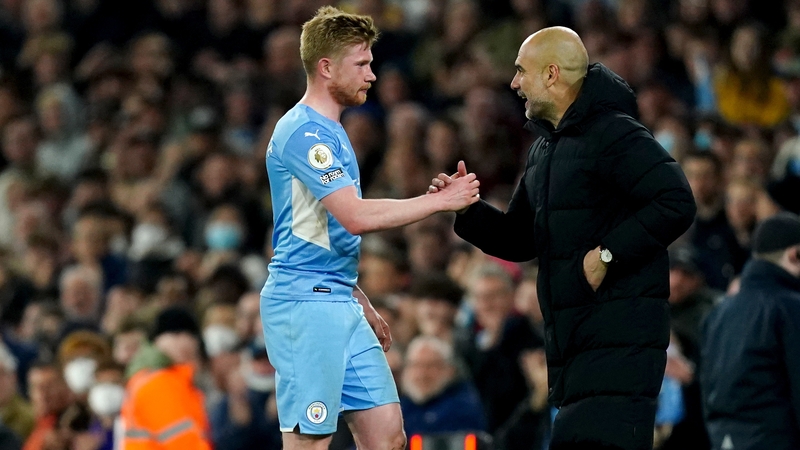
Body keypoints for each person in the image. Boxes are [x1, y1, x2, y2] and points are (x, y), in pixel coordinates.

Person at [430, 26, 696, 449]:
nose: (514, 83)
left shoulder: (615, 133)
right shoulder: (543, 151)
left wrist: (607, 255)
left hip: (619, 348)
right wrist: (467, 211)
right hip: (572, 352)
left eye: (521, 72)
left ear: (552, 73)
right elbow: (521, 238)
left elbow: (676, 201)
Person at [260, 6, 480, 450]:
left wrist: (357, 296)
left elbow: (325, 232)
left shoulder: (334, 131)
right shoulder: (304, 135)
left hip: (336, 297)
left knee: (389, 438)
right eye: (362, 64)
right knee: (310, 443)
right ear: (326, 67)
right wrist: (437, 202)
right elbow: (355, 216)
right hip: (305, 306)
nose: (372, 75)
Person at [700, 212, 800, 450]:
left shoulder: (718, 313)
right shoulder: (790, 308)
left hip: (723, 441)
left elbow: (708, 393)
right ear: (795, 254)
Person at [119, 307, 212, 449]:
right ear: (156, 340)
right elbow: (182, 442)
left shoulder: (173, 379)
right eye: (175, 334)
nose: (184, 341)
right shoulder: (158, 382)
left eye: (190, 335)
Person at [399, 335, 486, 436]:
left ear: (449, 370)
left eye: (430, 366)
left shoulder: (462, 407)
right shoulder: (402, 406)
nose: (422, 374)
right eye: (416, 365)